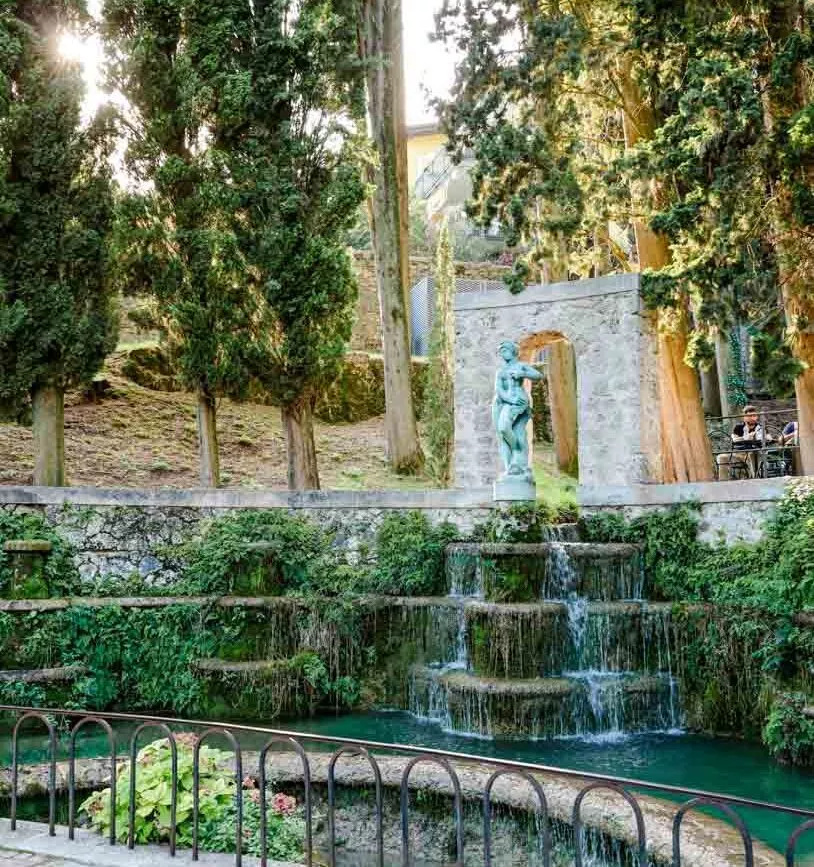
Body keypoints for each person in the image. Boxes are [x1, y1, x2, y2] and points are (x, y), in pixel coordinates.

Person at [492, 340, 543, 480]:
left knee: (504, 428)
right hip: (503, 402)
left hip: (518, 400)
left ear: (513, 351)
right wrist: (509, 399)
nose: (502, 353)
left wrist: (522, 374)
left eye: (504, 350)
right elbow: (499, 390)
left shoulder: (521, 366)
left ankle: (517, 450)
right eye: (500, 351)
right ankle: (509, 468)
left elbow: (538, 376)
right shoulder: (501, 371)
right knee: (502, 436)